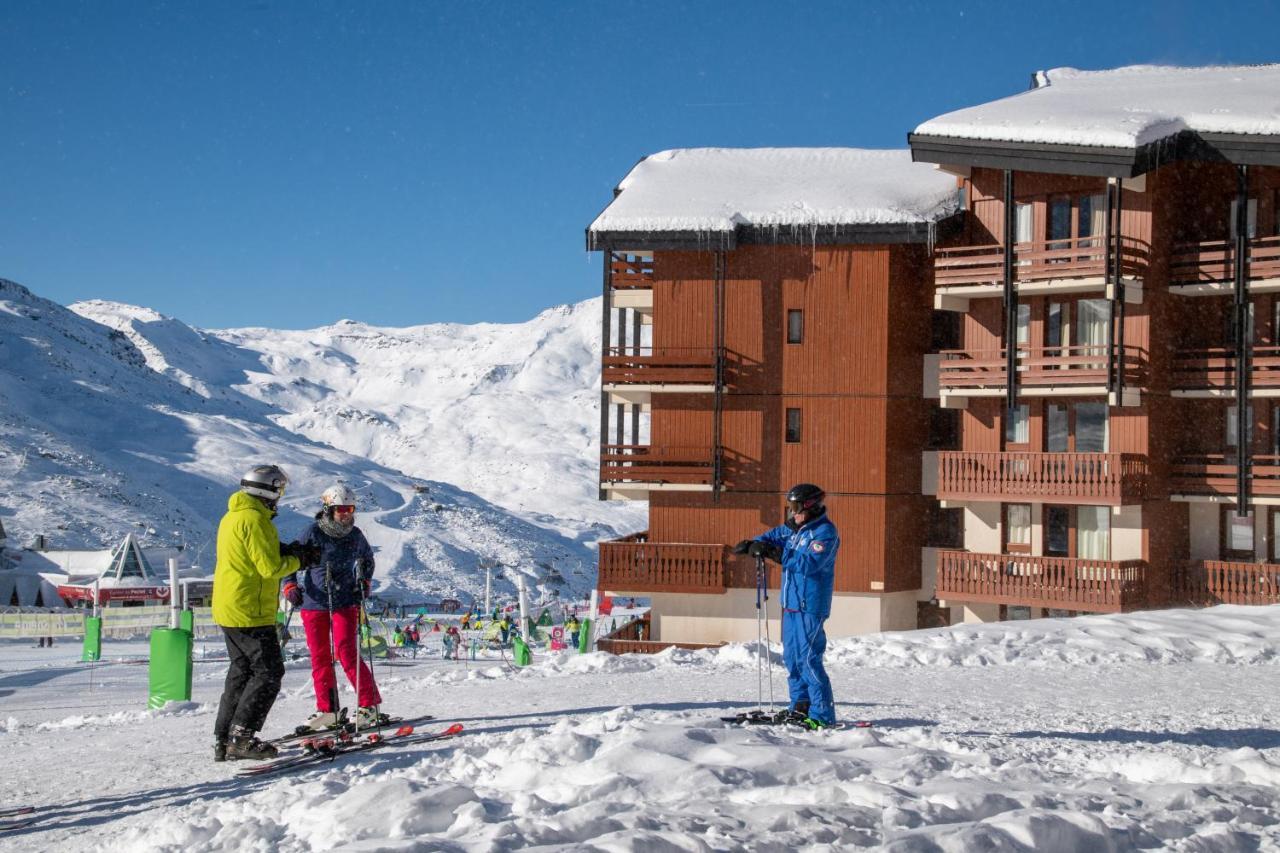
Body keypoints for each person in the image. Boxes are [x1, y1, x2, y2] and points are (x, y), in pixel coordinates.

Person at [213, 464, 318, 761]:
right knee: (269, 672)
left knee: (241, 672)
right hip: (250, 608)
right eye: (279, 490)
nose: (280, 496)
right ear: (268, 490)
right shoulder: (257, 521)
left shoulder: (234, 516)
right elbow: (269, 568)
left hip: (230, 605)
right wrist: (299, 560)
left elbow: (252, 552)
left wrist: (287, 550)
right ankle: (242, 737)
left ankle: (224, 738)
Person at [733, 483, 840, 730]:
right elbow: (771, 536)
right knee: (792, 659)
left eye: (796, 507)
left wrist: (773, 552)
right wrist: (753, 544)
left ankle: (822, 715)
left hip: (810, 605)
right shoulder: (795, 529)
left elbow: (809, 563)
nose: (792, 513)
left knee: (808, 660)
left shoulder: (824, 533)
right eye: (790, 507)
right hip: (790, 604)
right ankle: (800, 706)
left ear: (810, 506)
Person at [285, 483, 388, 732]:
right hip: (314, 601)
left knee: (346, 652)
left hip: (344, 601)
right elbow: (290, 561)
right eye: (341, 508)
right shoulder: (312, 532)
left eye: (350, 508)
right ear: (329, 509)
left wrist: (364, 581)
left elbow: (367, 559)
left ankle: (368, 704)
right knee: (320, 656)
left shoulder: (354, 535)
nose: (346, 513)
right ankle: (328, 709)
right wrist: (289, 586)